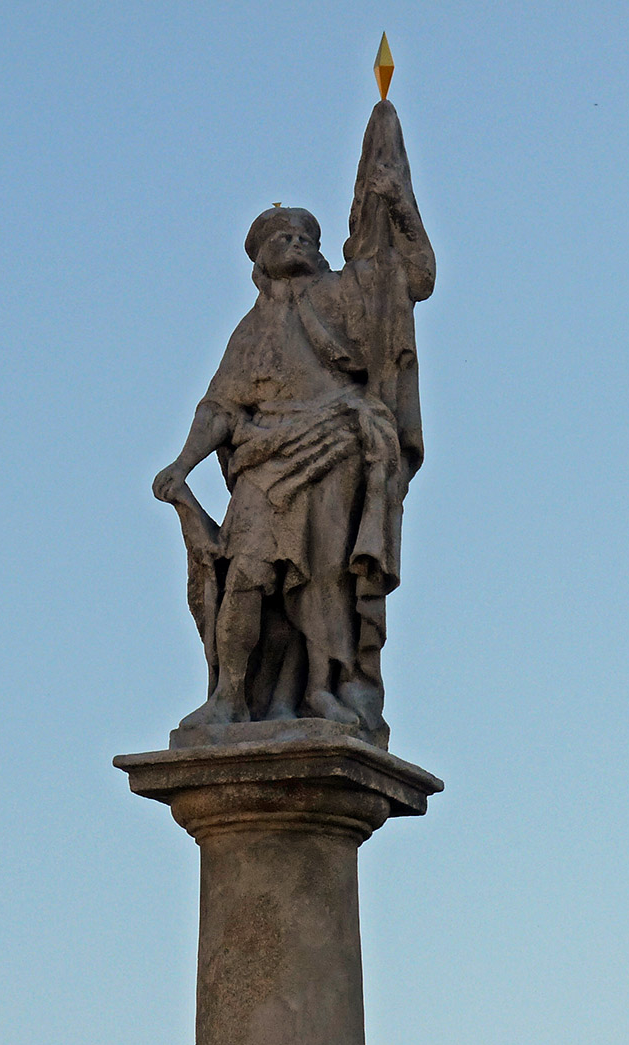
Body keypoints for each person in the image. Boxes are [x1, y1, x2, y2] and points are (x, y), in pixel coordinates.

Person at [153, 101, 435, 747]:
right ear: (258, 258)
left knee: (324, 577)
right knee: (246, 574)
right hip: (265, 456)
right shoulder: (251, 328)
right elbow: (221, 406)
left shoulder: (346, 293)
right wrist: (182, 463)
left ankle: (319, 688)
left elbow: (412, 277)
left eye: (306, 236)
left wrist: (396, 203)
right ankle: (229, 695)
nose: (298, 242)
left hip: (336, 444)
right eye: (282, 237)